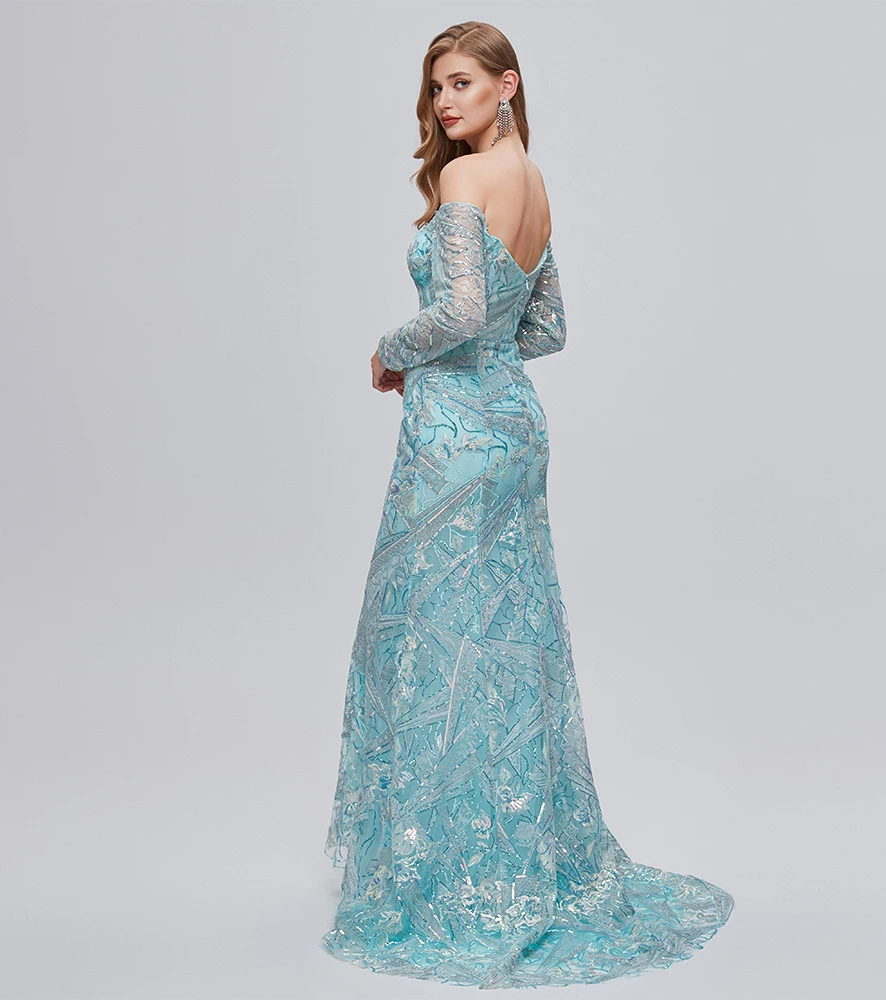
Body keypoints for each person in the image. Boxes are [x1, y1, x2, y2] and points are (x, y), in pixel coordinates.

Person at [321, 21, 734, 990]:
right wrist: (477, 358)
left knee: (433, 635)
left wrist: (392, 351)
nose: (444, 103)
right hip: (514, 426)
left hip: (455, 437)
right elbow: (543, 329)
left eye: (462, 83)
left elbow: (463, 313)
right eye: (435, 88)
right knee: (507, 638)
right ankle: (511, 858)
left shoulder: (467, 180)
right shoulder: (534, 183)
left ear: (508, 85)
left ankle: (451, 880)